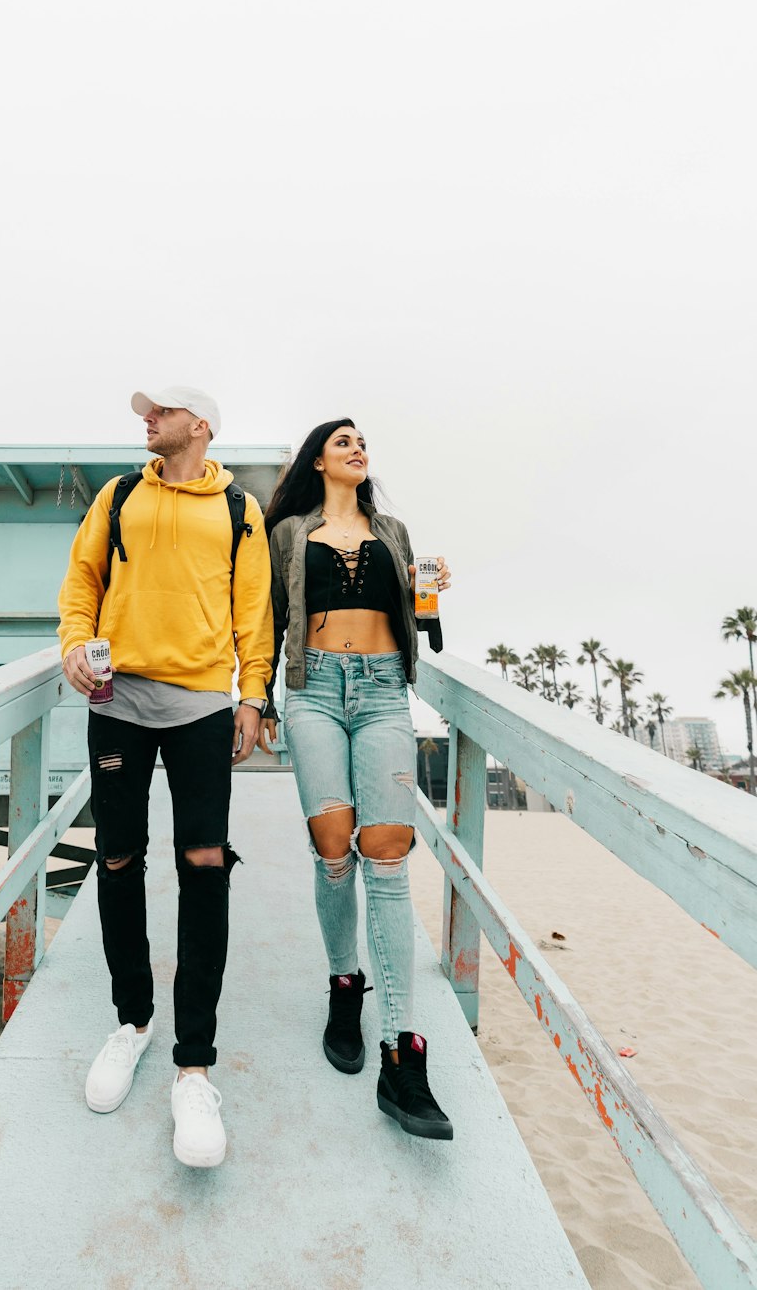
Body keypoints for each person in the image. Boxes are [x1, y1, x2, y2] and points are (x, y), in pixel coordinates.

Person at [58, 386, 273, 1168]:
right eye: (145, 412)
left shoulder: (240, 509)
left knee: (204, 867)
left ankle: (194, 1064)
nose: (147, 421)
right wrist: (74, 642)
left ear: (201, 425)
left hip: (202, 709)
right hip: (116, 702)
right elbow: (82, 582)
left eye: (162, 411)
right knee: (117, 860)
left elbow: (256, 610)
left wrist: (255, 695)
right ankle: (133, 1023)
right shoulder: (119, 496)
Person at [257, 418, 454, 1140]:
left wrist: (424, 594)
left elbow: (415, 621)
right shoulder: (290, 534)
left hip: (380, 694)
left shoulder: (393, 531)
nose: (357, 447)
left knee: (389, 850)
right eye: (342, 441)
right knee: (334, 844)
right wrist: (258, 697)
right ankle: (346, 983)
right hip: (311, 691)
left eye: (362, 440)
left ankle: (402, 1053)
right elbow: (269, 619)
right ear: (318, 460)